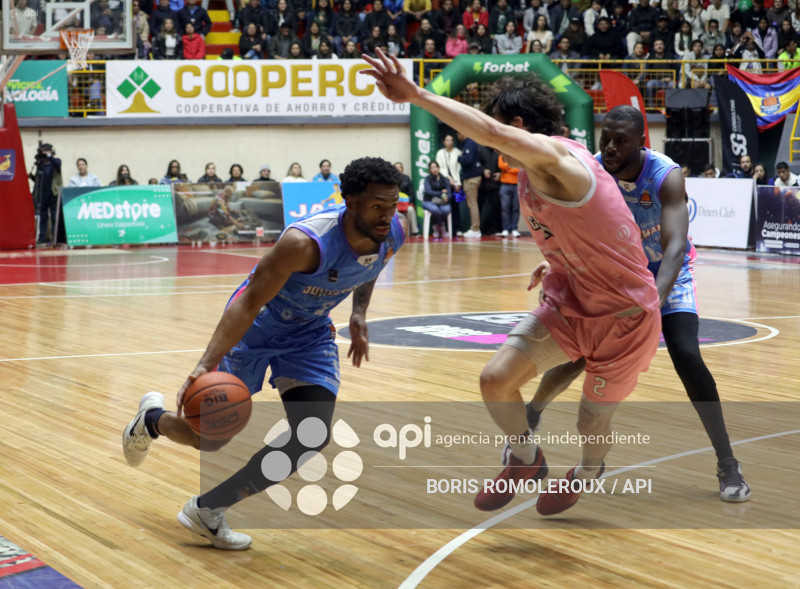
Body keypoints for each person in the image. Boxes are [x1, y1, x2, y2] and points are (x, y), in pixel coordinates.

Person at [361, 50, 661, 514]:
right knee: (495, 380)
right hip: (571, 302)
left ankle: (588, 469)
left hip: (625, 317)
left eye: (498, 126)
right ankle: (526, 459)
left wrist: (417, 95)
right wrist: (557, 262)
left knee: (590, 424)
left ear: (519, 125)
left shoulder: (557, 157)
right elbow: (586, 228)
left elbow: (494, 133)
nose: (486, 140)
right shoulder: (530, 171)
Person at [122, 157, 408, 550]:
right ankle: (152, 420)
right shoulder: (304, 243)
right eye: (377, 206)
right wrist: (205, 364)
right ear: (351, 201)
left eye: (392, 204)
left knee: (311, 435)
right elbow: (249, 301)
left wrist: (359, 313)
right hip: (255, 329)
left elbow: (370, 267)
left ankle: (208, 510)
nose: (387, 215)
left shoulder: (393, 231)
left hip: (309, 335)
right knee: (210, 439)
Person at [525, 106, 751, 503]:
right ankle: (531, 416)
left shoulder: (666, 175)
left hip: (668, 277)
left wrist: (653, 300)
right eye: (606, 139)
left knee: (687, 356)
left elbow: (675, 246)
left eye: (621, 141)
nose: (611, 147)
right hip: (615, 279)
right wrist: (555, 265)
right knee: (579, 355)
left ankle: (727, 462)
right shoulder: (591, 170)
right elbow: (566, 229)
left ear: (641, 142)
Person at [29, 143, 62, 245]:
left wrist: (49, 155)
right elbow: (39, 180)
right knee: (43, 217)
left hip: (53, 194)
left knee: (54, 216)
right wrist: (32, 177)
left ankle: (55, 237)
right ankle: (42, 237)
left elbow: (57, 164)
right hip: (42, 194)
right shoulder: (40, 165)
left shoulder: (56, 162)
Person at [457, 131, 483, 238]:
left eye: (458, 134)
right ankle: (475, 228)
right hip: (472, 177)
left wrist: (459, 157)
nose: (457, 137)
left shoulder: (469, 143)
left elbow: (468, 160)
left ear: (461, 133)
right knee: (472, 203)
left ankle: (475, 228)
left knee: (472, 204)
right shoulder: (470, 143)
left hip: (472, 178)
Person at [422, 161, 453, 239]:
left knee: (446, 209)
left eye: (436, 167)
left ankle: (437, 226)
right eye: (432, 168)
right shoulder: (427, 179)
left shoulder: (445, 179)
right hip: (429, 201)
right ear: (430, 170)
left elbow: (449, 193)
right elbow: (428, 191)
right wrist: (440, 193)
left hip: (442, 202)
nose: (434, 169)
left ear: (439, 168)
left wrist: (447, 198)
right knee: (435, 209)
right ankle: (441, 226)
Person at [497, 154, 520, 238]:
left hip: (517, 185)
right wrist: (512, 167)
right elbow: (501, 166)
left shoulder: (518, 156)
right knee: (505, 207)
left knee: (515, 208)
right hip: (505, 185)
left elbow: (519, 170)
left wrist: (508, 169)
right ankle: (505, 229)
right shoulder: (502, 155)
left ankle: (514, 229)